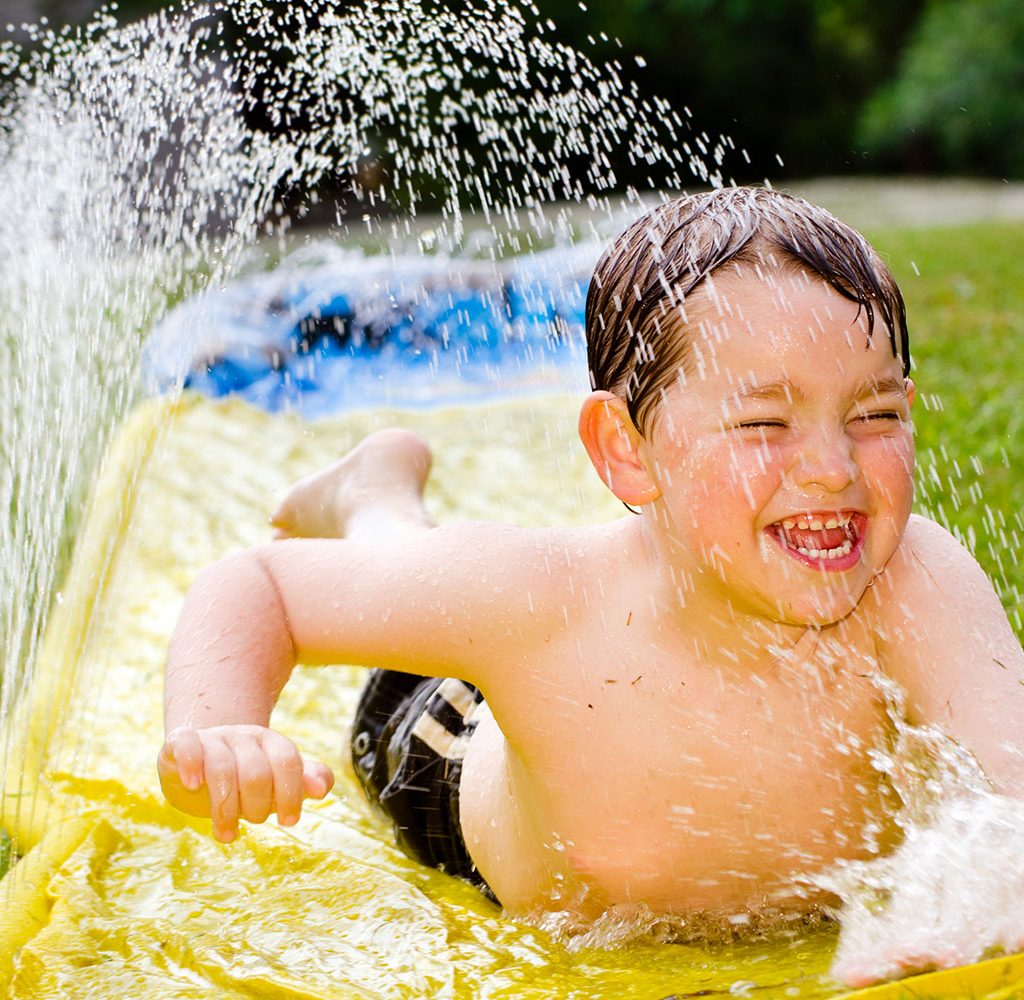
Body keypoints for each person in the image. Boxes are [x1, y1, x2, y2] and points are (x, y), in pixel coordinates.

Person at [158, 187, 1024, 946]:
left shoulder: (917, 582)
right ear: (626, 449)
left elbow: (1014, 794)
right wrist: (222, 728)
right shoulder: (543, 601)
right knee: (412, 572)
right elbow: (260, 587)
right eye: (765, 423)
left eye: (875, 414)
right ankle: (372, 498)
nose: (834, 468)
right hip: (448, 737)